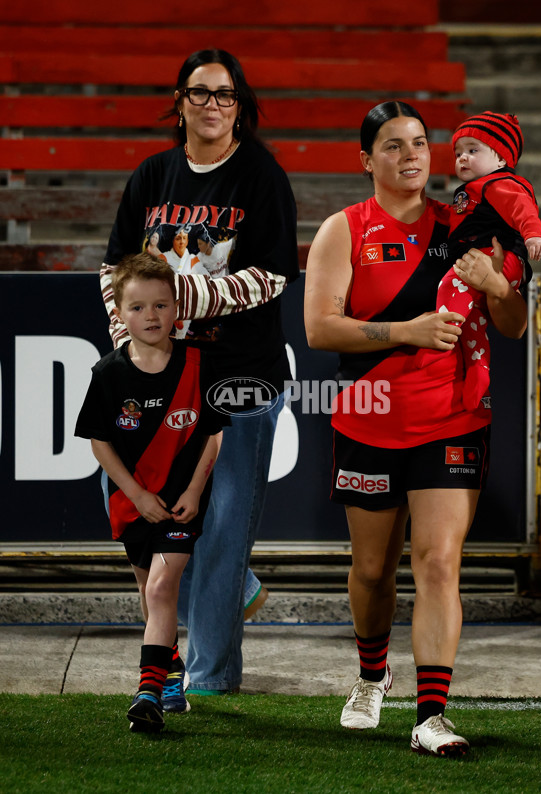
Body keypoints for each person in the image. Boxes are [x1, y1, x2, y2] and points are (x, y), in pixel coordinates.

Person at [304, 101, 528, 756]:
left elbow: (513, 325)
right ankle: (373, 674)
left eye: (421, 143)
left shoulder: (466, 224)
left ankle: (432, 716)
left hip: (453, 416)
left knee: (437, 561)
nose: (411, 155)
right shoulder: (344, 229)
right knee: (373, 571)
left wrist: (497, 285)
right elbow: (320, 329)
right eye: (394, 145)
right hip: (369, 417)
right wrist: (407, 331)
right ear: (366, 159)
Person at [99, 48, 299, 703]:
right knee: (133, 513)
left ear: (240, 106)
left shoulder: (261, 176)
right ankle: (220, 607)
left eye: (225, 94)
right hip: (160, 378)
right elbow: (114, 268)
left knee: (219, 532)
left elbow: (275, 276)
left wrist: (191, 296)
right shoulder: (152, 175)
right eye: (200, 92)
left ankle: (208, 678)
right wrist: (129, 342)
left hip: (238, 379)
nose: (212, 104)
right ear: (180, 102)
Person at [75, 254, 226, 732]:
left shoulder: (199, 364)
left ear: (176, 308)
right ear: (119, 314)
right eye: (138, 307)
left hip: (182, 503)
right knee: (149, 592)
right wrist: (137, 495)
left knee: (162, 587)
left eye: (161, 305)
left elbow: (214, 434)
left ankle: (148, 694)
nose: (151, 315)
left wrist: (196, 489)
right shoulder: (108, 374)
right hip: (132, 502)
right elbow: (100, 442)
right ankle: (171, 669)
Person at [418, 111, 541, 410]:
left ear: (501, 159)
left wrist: (534, 235)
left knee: (452, 284)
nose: (462, 158)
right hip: (487, 259)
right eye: (458, 153)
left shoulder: (500, 183)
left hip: (498, 257)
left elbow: (522, 208)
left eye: (473, 150)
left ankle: (438, 343)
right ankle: (478, 365)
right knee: (473, 319)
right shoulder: (475, 189)